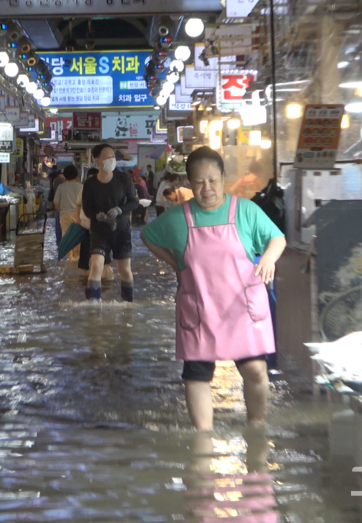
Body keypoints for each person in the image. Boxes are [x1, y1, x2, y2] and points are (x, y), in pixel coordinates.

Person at [142, 147, 286, 431]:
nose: (206, 188)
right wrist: (176, 264)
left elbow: (277, 238)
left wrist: (268, 256)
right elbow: (148, 236)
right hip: (199, 309)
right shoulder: (177, 219)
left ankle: (256, 428)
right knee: (196, 375)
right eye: (198, 181)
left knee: (256, 370)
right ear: (189, 182)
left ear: (222, 178)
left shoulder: (245, 211)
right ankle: (203, 441)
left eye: (212, 180)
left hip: (241, 308)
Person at [81, 143, 139, 302]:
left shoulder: (123, 179)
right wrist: (97, 215)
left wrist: (120, 210)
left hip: (121, 230)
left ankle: (128, 303)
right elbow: (87, 209)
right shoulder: (90, 184)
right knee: (96, 266)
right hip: (99, 230)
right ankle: (93, 304)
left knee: (124, 269)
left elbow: (134, 202)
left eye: (113, 157)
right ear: (97, 161)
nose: (111, 160)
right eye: (107, 158)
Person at [54, 164, 83, 261]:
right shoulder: (81, 187)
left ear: (65, 175)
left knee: (66, 237)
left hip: (64, 215)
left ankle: (70, 259)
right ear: (76, 175)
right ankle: (77, 258)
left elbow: (56, 202)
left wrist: (61, 211)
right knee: (78, 236)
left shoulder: (61, 187)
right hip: (78, 215)